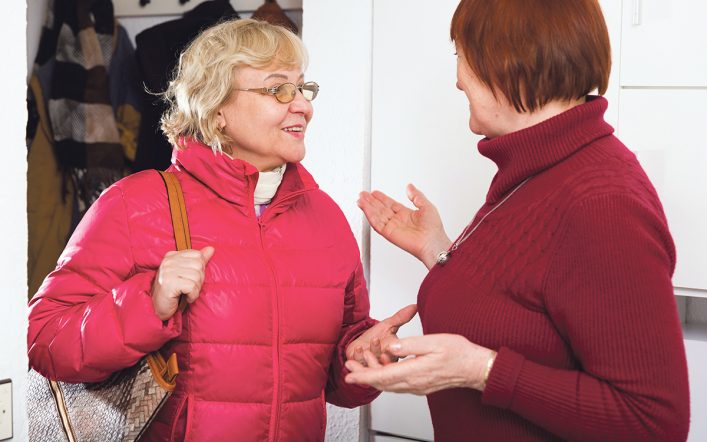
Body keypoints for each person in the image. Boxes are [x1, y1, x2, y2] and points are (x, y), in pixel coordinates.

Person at [27, 19, 414, 441]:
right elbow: (44, 340)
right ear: (215, 108)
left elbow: (336, 382)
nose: (302, 104)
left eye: (303, 88)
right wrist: (147, 302)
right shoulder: (134, 205)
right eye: (277, 89)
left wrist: (365, 357)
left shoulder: (324, 216)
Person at [345, 1, 690, 441]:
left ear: (509, 61)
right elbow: (528, 306)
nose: (456, 80)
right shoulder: (539, 167)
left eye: (462, 56)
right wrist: (438, 252)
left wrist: (481, 371)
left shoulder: (602, 203)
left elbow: (652, 423)